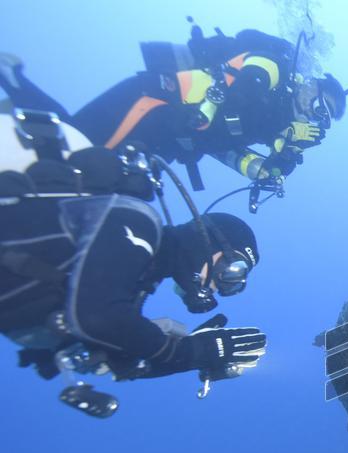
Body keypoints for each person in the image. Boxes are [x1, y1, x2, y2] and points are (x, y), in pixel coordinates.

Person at [0, 113, 267, 415]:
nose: (219, 286)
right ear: (208, 241)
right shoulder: (138, 222)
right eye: (231, 272)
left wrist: (191, 356)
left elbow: (116, 357)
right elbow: (98, 320)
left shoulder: (136, 279)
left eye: (232, 287)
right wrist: (188, 352)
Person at [0, 24, 348, 190]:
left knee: (91, 178)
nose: (314, 113)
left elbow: (228, 152)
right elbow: (236, 99)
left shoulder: (273, 124)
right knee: (77, 142)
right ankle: (13, 79)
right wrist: (281, 136)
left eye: (323, 116)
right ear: (310, 84)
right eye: (319, 104)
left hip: (166, 142)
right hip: (153, 101)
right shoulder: (273, 67)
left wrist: (280, 157)